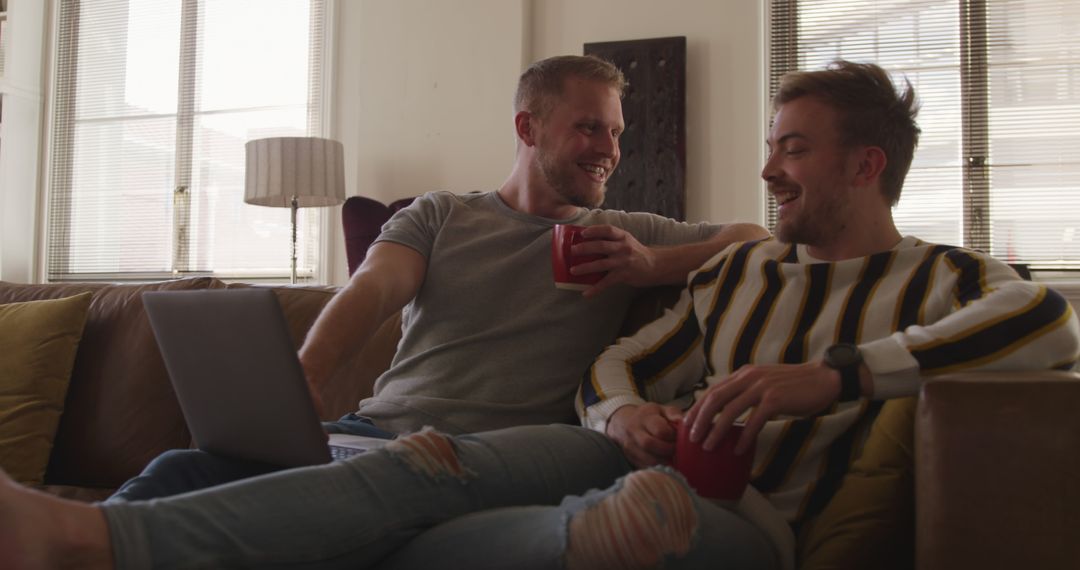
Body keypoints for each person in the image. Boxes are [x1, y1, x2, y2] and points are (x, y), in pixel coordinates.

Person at [2, 60, 1077, 570]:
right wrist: (622, 419)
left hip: (709, 508)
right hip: (451, 447)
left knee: (484, 502)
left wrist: (829, 371)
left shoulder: (948, 279)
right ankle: (82, 537)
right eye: (591, 130)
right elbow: (616, 367)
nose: (768, 169)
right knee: (384, 493)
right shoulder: (721, 284)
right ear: (530, 126)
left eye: (790, 147)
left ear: (867, 163)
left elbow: (1046, 323)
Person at [106, 54, 768, 502]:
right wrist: (306, 373)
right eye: (589, 127)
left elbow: (754, 237)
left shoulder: (625, 234)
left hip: (474, 458)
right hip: (367, 434)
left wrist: (652, 265)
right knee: (178, 473)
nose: (609, 150)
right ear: (527, 127)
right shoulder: (444, 214)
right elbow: (374, 287)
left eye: (616, 132)